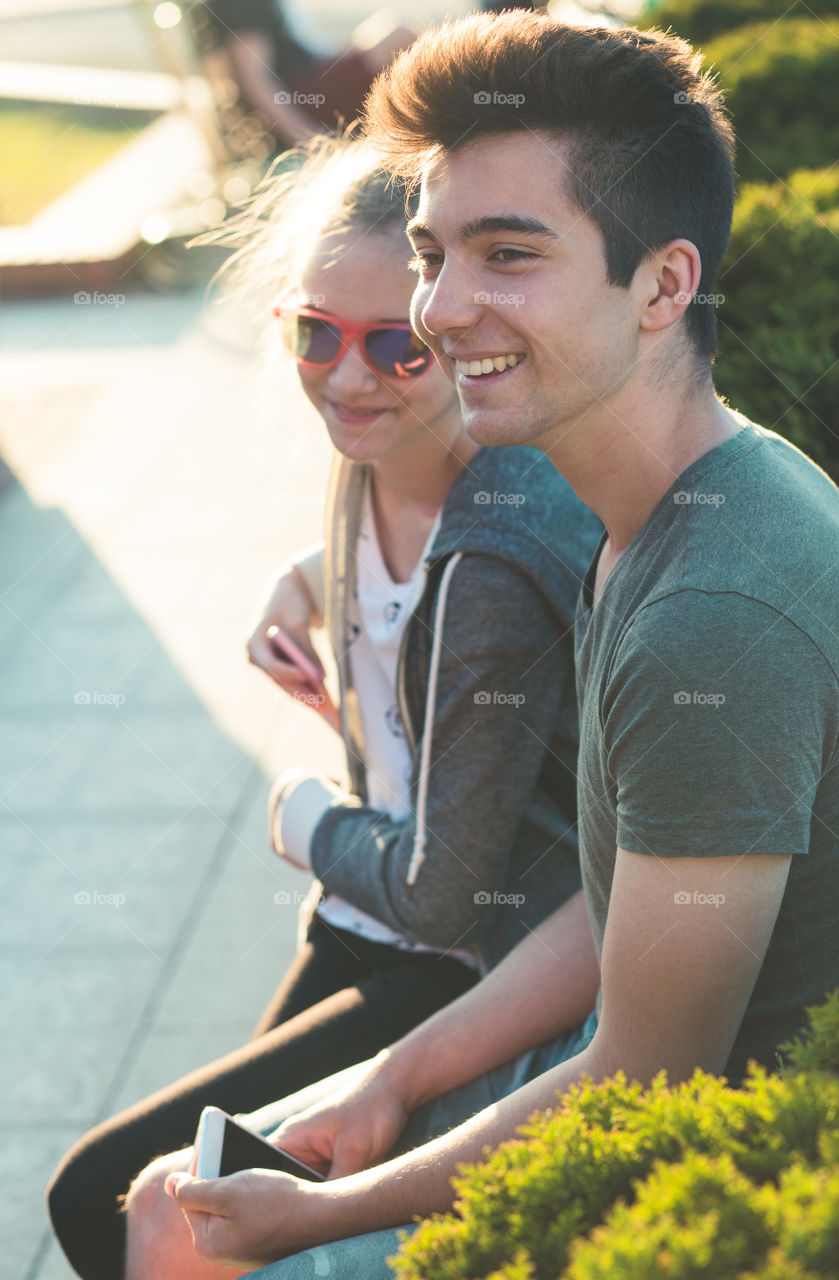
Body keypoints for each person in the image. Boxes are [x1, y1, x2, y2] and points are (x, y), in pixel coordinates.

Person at [119, 10, 839, 1280]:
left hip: (707, 1161)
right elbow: (615, 905)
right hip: (615, 1063)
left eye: (508, 254)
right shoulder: (665, 501)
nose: (444, 309)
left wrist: (317, 1219)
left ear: (664, 284)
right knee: (161, 1202)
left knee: (196, 1238)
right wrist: (396, 1077)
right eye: (431, 252)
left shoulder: (712, 617)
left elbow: (648, 1076)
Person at [46, 132, 602, 1280]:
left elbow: (447, 885)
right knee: (173, 1199)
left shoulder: (494, 547)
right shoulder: (368, 468)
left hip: (465, 959)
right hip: (368, 930)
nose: (346, 377)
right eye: (315, 334)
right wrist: (310, 575)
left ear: (456, 333)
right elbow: (407, 572)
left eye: (396, 346)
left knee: (108, 1199)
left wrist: (297, 814)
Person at [197, 0, 414, 146]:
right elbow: (254, 80)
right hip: (302, 95)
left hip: (311, 74)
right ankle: (427, 128)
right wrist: (307, 139)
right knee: (401, 35)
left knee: (391, 27)